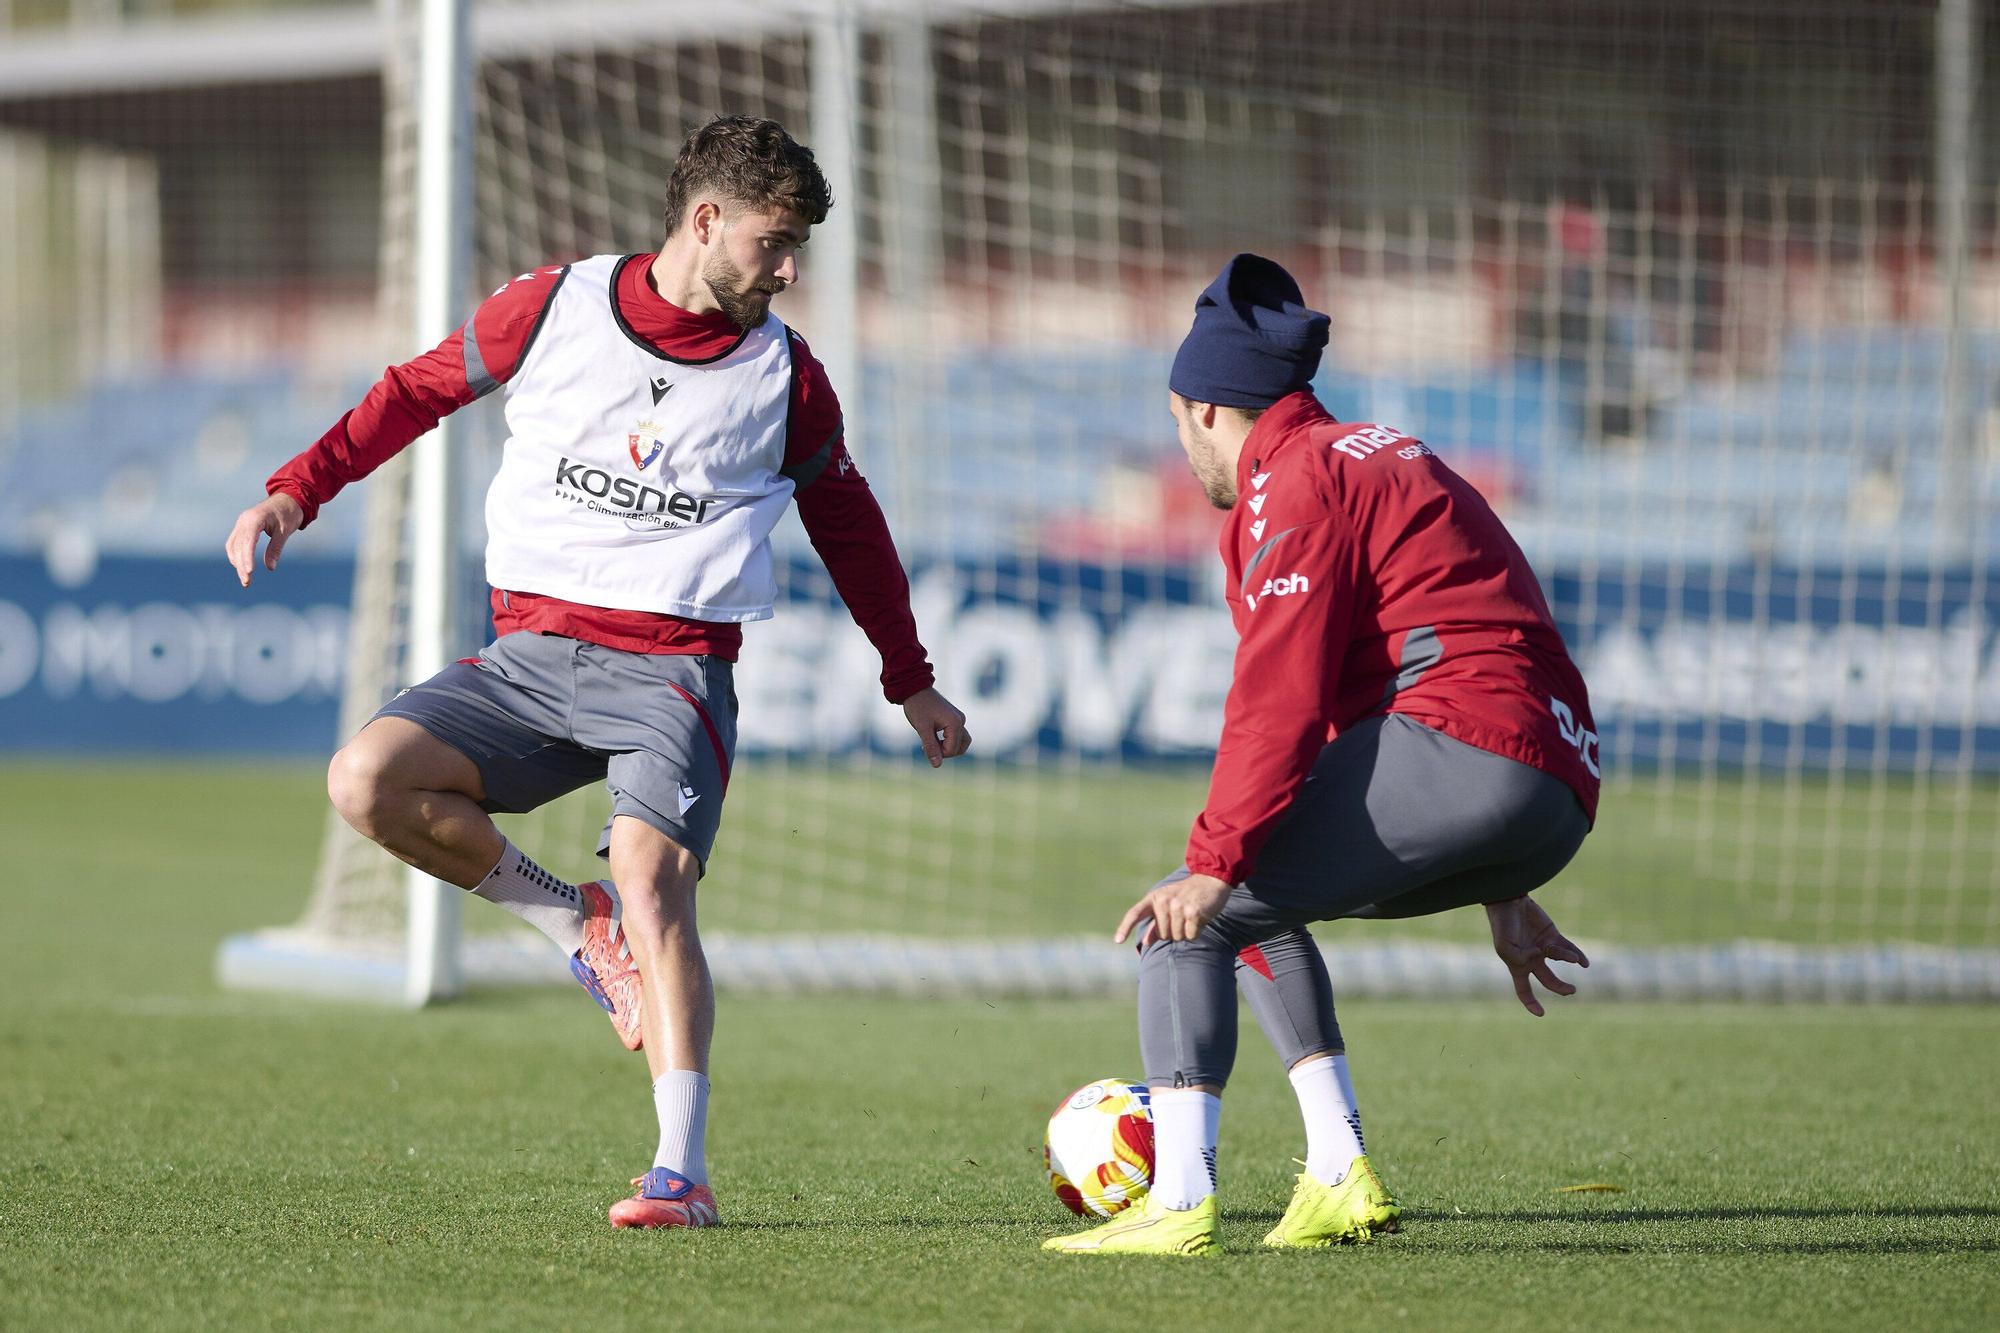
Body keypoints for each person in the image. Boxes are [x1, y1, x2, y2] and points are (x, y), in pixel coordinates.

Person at [225, 116, 970, 1231]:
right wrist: (297, 487)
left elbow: (848, 523)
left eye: (798, 246)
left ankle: (681, 1169)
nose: (789, 267)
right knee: (364, 782)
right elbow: (413, 390)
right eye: (774, 241)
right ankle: (576, 927)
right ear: (704, 220)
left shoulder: (787, 378)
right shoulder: (551, 307)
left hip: (671, 671)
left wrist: (907, 675)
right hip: (524, 661)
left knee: (653, 876)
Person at [1044, 255, 1598, 1257]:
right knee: (1257, 891)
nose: (1184, 453)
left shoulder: (1291, 480)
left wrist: (1210, 859)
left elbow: (1277, 699)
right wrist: (1505, 884)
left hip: (1466, 746)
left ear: (1205, 408)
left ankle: (1176, 1202)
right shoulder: (1378, 453)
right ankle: (1337, 1174)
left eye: (1179, 428)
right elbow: (1440, 648)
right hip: (1550, 781)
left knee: (1186, 919)